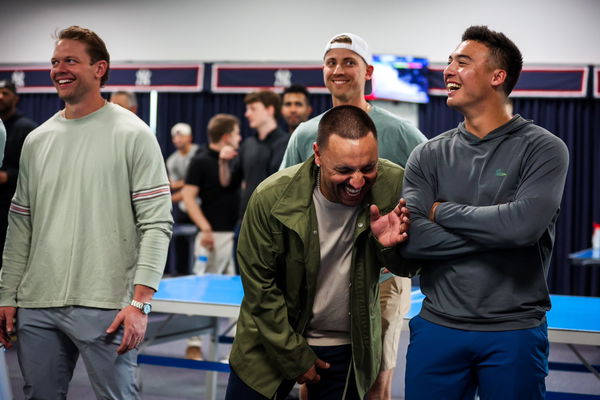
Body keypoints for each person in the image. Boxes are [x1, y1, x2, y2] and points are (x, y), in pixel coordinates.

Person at [0, 26, 173, 399]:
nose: (59, 69)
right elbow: (20, 225)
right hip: (37, 304)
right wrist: (7, 295)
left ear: (99, 69)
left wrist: (140, 303)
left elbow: (157, 224)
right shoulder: (36, 140)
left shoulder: (134, 134)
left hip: (107, 305)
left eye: (71, 61)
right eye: (55, 62)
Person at [399, 26, 569, 399]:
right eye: (448, 62)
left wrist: (440, 211)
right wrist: (501, 232)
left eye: (462, 62)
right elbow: (411, 240)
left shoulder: (544, 149)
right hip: (437, 328)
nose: (447, 71)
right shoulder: (427, 154)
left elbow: (522, 228)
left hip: (514, 332)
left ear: (497, 76)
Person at [225, 105, 412, 400]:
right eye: (344, 170)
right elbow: (260, 289)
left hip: (348, 346)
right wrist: (294, 354)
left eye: (368, 167)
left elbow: (410, 267)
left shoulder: (393, 184)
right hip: (269, 341)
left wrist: (387, 249)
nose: (358, 182)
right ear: (318, 154)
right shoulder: (269, 198)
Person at [280, 32, 427, 399]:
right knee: (314, 375)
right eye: (332, 62)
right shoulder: (305, 135)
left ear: (368, 71)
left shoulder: (402, 133)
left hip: (383, 278)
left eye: (349, 62)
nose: (339, 70)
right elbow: (284, 202)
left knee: (377, 379)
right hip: (321, 274)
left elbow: (430, 190)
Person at [181, 114, 242, 360]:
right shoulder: (201, 160)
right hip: (209, 238)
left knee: (236, 295)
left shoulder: (234, 162)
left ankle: (237, 349)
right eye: (237, 133)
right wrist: (205, 228)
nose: (240, 138)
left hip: (231, 236)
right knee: (200, 291)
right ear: (227, 136)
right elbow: (187, 197)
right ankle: (193, 344)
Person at [0, 80, 37, 269]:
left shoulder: (26, 129)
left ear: (16, 98)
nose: (0, 96)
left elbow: (36, 170)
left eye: (5, 93)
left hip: (12, 207)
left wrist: (8, 177)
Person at [166, 122, 199, 210]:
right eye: (175, 137)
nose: (177, 139)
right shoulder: (171, 160)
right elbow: (174, 185)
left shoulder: (199, 153)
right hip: (184, 208)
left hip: (206, 204)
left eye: (181, 136)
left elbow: (202, 182)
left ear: (190, 137)